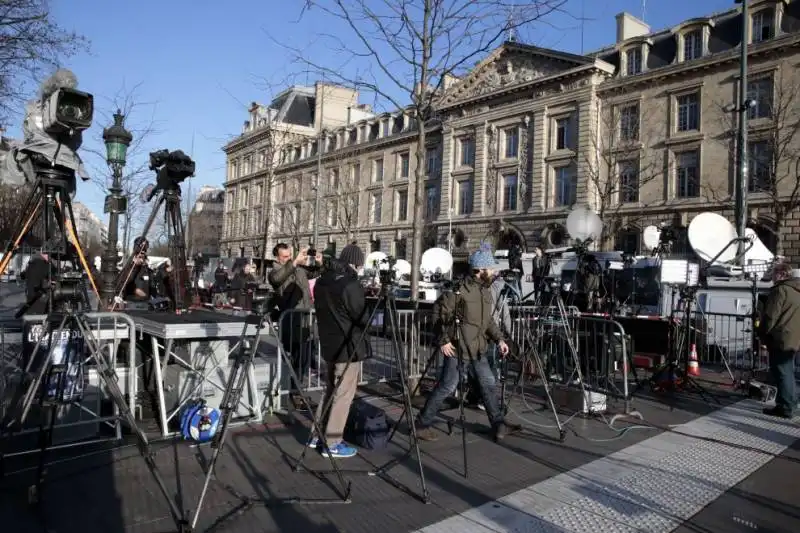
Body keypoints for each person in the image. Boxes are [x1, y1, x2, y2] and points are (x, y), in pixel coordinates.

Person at [417, 246, 511, 442]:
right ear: (481, 270)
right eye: (491, 268)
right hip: (458, 350)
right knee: (447, 386)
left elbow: (488, 322)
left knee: (488, 384)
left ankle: (498, 424)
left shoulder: (485, 291)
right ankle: (421, 424)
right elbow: (438, 313)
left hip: (478, 350)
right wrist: (442, 340)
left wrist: (499, 339)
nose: (494, 272)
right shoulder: (459, 291)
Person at [307, 243, 368, 458]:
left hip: (329, 344)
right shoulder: (350, 284)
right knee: (343, 394)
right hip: (347, 346)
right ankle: (332, 442)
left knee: (331, 390)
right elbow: (361, 317)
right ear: (355, 263)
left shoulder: (324, 281)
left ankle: (317, 435)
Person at [268, 243, 319, 408]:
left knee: (305, 358)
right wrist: (294, 263)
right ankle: (292, 392)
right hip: (292, 320)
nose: (288, 258)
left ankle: (295, 390)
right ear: (277, 257)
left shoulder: (297, 268)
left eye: (290, 255)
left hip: (306, 319)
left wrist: (319, 262)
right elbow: (277, 279)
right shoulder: (275, 271)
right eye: (285, 257)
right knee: (293, 359)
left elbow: (315, 273)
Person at [758, 262, 800, 419]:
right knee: (788, 372)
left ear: (782, 274)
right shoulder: (796, 290)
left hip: (780, 338)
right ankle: (789, 402)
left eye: (774, 273)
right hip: (793, 338)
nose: (772, 277)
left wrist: (761, 332)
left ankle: (786, 407)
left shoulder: (780, 290)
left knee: (782, 373)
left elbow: (770, 316)